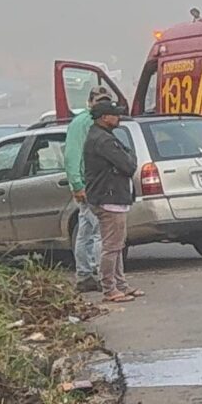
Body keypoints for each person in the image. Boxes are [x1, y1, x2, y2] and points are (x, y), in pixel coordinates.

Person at [80, 97, 140, 303]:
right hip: (109, 198)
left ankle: (121, 285)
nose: (119, 117)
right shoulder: (103, 140)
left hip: (112, 197)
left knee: (117, 244)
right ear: (105, 118)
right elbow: (129, 165)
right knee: (111, 246)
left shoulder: (102, 136)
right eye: (115, 114)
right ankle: (109, 289)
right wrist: (129, 156)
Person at [61, 98, 101, 292]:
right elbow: (72, 156)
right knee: (97, 232)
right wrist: (77, 185)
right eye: (99, 101)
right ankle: (97, 274)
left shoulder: (98, 121)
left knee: (86, 231)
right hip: (89, 185)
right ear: (89, 102)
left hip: (93, 184)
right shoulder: (81, 123)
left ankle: (86, 275)